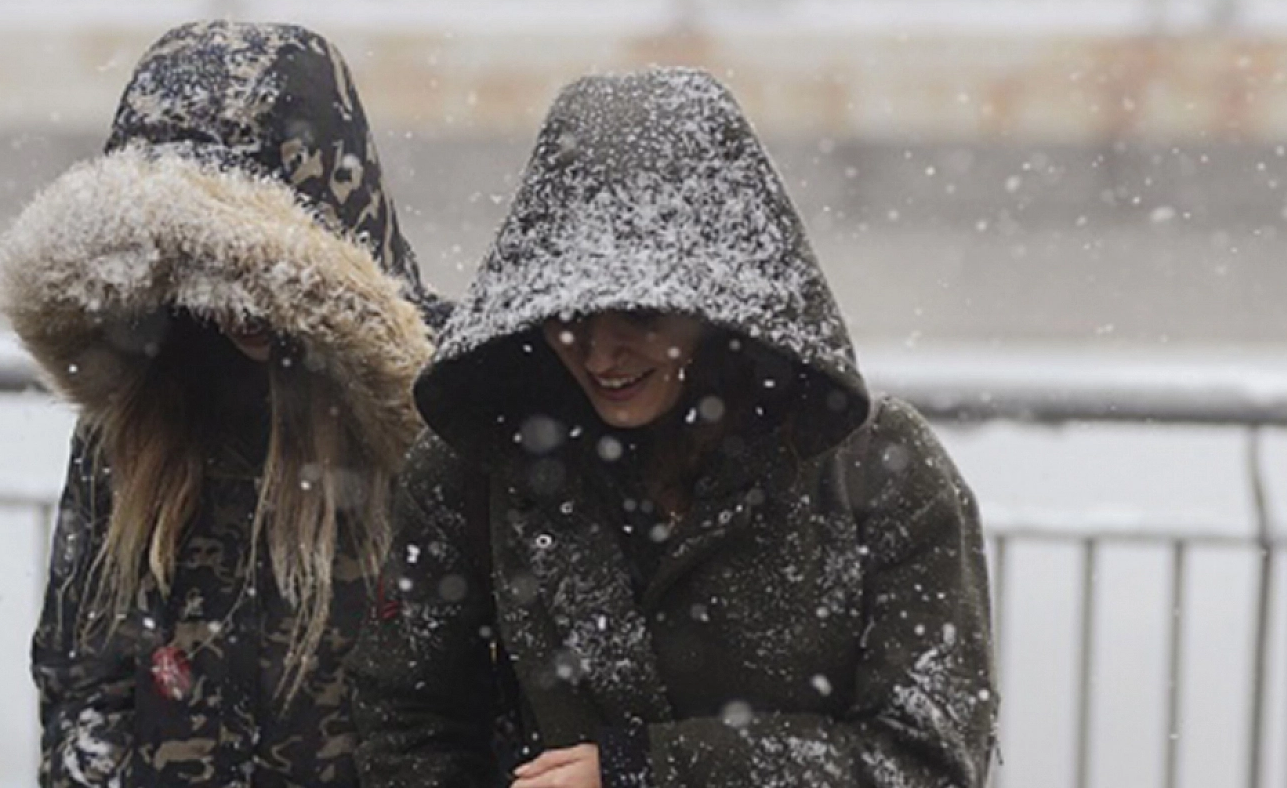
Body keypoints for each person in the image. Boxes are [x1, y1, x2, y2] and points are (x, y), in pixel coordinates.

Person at [352, 67, 997, 787]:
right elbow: (408, 721)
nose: (600, 354)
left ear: (720, 308)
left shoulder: (882, 471)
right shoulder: (475, 469)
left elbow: (928, 763)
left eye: (640, 315)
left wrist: (647, 771)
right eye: (566, 317)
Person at [1, 20, 445, 787]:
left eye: (257, 268)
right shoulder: (142, 414)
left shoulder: (441, 412)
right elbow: (80, 675)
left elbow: (473, 700)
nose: (238, 300)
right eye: (204, 262)